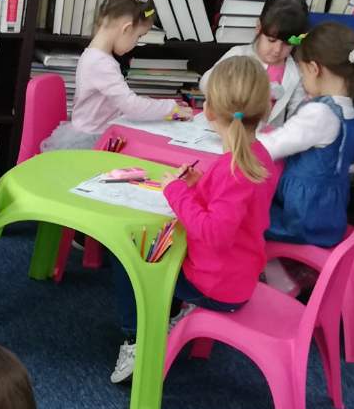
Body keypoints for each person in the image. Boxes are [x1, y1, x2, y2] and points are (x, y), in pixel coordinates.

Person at [110, 55, 278, 384]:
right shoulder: (258, 156)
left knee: (127, 256)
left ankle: (136, 340)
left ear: (209, 111)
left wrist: (176, 192)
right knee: (163, 246)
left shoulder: (234, 168)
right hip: (239, 274)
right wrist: (199, 186)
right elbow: (238, 211)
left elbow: (213, 232)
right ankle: (171, 313)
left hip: (216, 286)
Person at [258, 24, 354, 292]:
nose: (302, 80)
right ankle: (294, 270)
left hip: (302, 214)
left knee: (248, 215)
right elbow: (353, 164)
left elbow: (272, 147)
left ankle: (279, 278)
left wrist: (238, 141)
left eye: (301, 73)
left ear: (314, 68)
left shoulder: (321, 113)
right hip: (330, 213)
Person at [40, 0, 194, 151]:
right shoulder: (101, 64)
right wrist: (171, 108)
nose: (136, 43)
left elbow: (117, 104)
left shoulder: (94, 55)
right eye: (138, 37)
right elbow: (131, 106)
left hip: (93, 133)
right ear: (126, 29)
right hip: (91, 143)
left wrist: (155, 105)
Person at [198, 0, 310, 128]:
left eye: (287, 44)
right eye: (271, 40)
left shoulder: (296, 73)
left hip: (270, 138)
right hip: (230, 132)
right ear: (258, 27)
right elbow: (205, 83)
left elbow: (298, 114)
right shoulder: (238, 54)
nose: (277, 50)